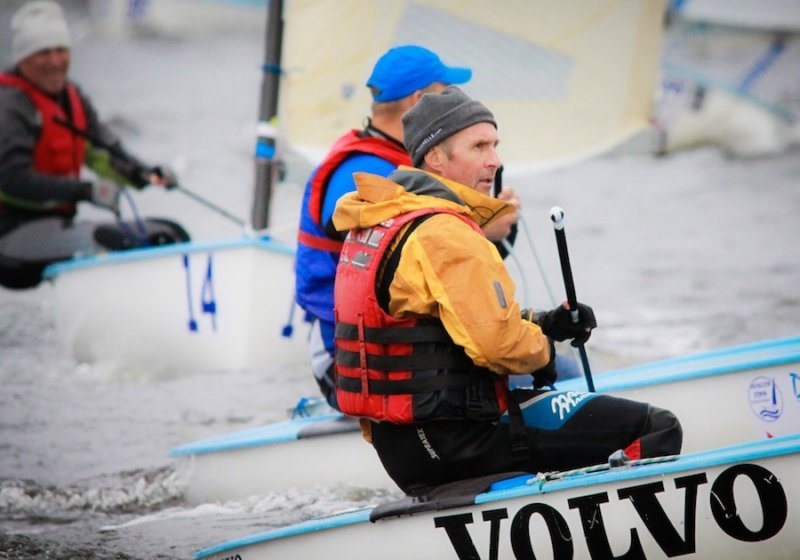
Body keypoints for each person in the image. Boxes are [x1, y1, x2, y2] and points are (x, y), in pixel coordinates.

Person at [331, 86, 683, 496]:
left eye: (495, 146)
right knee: (656, 427)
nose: (495, 160)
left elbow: (448, 323)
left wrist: (545, 324)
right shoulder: (445, 233)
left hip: (405, 447)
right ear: (436, 158)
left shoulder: (387, 219)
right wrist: (544, 351)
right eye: (479, 146)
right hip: (458, 440)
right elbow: (498, 345)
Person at [294, 45, 520, 409]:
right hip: (348, 361)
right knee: (551, 370)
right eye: (444, 91)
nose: (453, 99)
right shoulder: (363, 175)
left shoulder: (399, 168)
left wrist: (483, 226)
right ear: (418, 100)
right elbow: (395, 261)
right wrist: (483, 229)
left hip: (399, 346)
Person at [0, 1, 189, 290]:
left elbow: (105, 153)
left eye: (61, 50)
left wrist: (145, 173)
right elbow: (12, 179)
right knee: (115, 240)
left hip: (56, 228)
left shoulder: (72, 97)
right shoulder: (10, 106)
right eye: (43, 53)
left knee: (169, 234)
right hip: (11, 238)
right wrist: (87, 191)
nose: (55, 61)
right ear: (24, 58)